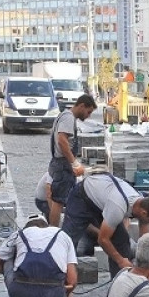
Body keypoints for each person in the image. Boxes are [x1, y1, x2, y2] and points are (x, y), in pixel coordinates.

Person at [61, 170, 149, 276]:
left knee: (121, 240)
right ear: (144, 213)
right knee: (67, 240)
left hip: (103, 199)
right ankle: (60, 278)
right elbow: (103, 239)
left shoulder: (143, 204)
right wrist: (120, 260)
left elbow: (144, 239)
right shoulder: (118, 207)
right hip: (82, 196)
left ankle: (120, 280)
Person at [48, 94, 97, 225]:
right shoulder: (68, 118)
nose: (88, 116)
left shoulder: (64, 115)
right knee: (58, 202)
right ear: (81, 106)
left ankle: (56, 229)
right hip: (62, 164)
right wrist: (74, 163)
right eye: (88, 112)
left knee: (59, 201)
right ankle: (54, 231)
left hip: (59, 163)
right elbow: (62, 141)